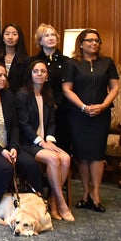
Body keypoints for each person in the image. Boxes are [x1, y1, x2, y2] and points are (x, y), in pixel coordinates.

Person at [0, 61, 45, 224]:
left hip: (8, 146)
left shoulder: (8, 96)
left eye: (4, 75)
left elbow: (15, 127)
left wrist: (13, 147)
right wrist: (1, 151)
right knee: (5, 168)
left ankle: (37, 205)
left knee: (31, 164)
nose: (3, 78)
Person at [62, 28, 120, 212]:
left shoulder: (107, 62)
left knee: (96, 154)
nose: (93, 43)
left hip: (100, 115)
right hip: (78, 114)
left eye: (96, 40)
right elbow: (66, 89)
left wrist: (103, 106)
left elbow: (115, 87)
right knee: (81, 155)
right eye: (89, 40)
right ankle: (85, 193)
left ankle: (96, 194)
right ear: (80, 43)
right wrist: (83, 107)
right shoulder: (72, 63)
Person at [17, 59, 74, 222]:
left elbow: (51, 123)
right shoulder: (22, 95)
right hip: (28, 143)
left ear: (47, 75)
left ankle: (53, 202)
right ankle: (61, 204)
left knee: (66, 158)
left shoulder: (48, 95)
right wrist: (41, 142)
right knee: (54, 158)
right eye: (36, 71)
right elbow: (23, 125)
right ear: (30, 74)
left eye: (43, 71)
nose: (39, 74)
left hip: (45, 141)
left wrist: (49, 141)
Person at [31, 23, 71, 151]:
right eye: (46, 35)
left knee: (62, 145)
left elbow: (69, 85)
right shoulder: (33, 61)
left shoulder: (67, 61)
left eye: (53, 35)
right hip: (40, 107)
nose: (51, 38)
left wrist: (56, 103)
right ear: (40, 40)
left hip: (62, 108)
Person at [0, 22, 31, 94]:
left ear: (19, 38)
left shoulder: (26, 60)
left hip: (18, 98)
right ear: (3, 38)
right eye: (7, 34)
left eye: (14, 34)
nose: (10, 37)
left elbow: (26, 84)